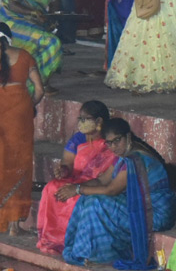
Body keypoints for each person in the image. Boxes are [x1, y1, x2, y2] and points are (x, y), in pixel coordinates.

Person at [60, 118, 176, 268]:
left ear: (127, 136)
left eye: (117, 140)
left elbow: (111, 189)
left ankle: (97, 254)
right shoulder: (124, 156)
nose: (113, 146)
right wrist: (75, 187)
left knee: (95, 203)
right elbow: (103, 180)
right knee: (86, 199)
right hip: (140, 206)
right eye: (109, 143)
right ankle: (85, 252)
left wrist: (77, 190)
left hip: (154, 214)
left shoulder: (135, 159)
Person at [0, 21, 45, 234]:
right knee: (20, 164)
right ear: (10, 37)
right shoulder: (24, 56)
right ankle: (14, 225)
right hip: (20, 115)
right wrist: (29, 106)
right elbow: (39, 90)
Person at [36, 101, 119, 254]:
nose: (80, 123)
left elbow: (108, 176)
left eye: (84, 119)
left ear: (99, 121)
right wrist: (63, 170)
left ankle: (71, 240)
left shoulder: (110, 139)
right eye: (79, 119)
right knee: (51, 188)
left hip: (97, 183)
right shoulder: (78, 139)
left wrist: (78, 188)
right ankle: (53, 240)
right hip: (77, 178)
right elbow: (67, 164)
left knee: (75, 197)